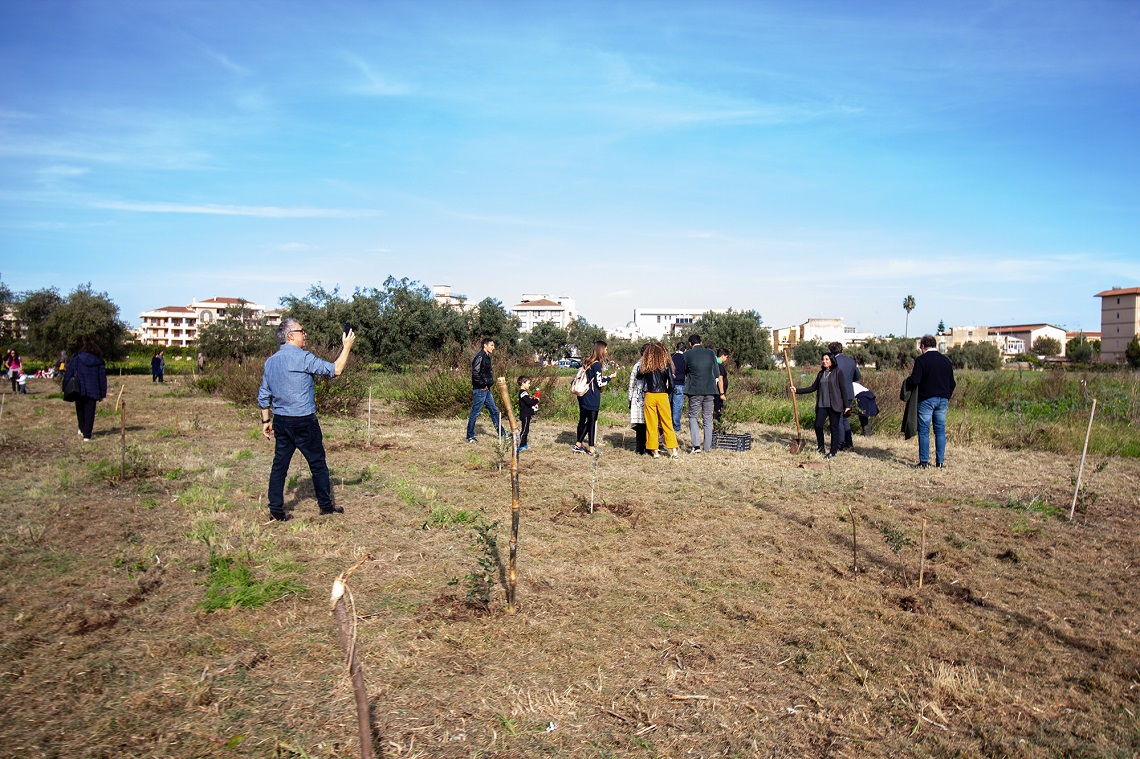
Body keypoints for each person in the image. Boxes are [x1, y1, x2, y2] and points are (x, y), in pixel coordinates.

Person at [258, 318, 356, 521]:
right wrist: (347, 346)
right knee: (318, 464)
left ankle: (276, 510)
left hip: (281, 421)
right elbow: (336, 369)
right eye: (302, 331)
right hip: (304, 421)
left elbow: (264, 394)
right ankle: (326, 506)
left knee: (279, 467)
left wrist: (266, 422)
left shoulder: (271, 361)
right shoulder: (303, 358)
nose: (305, 335)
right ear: (290, 335)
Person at [906, 334, 956, 468]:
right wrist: (946, 396)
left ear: (922, 346)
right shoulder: (946, 361)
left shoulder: (921, 360)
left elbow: (915, 380)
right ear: (935, 345)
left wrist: (907, 382)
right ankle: (940, 462)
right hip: (943, 399)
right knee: (940, 431)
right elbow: (952, 383)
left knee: (924, 431)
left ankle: (924, 462)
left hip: (926, 399)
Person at [790, 353, 850, 458]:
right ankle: (821, 447)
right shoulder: (821, 373)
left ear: (832, 361)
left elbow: (843, 389)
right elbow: (813, 387)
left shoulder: (837, 372)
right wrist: (797, 390)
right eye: (823, 359)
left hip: (834, 405)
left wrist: (847, 405)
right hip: (822, 405)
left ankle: (832, 452)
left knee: (833, 428)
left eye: (827, 359)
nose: (824, 361)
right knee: (818, 426)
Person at [637, 342, 679, 459]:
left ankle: (655, 451)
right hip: (662, 395)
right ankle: (674, 450)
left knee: (651, 424)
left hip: (650, 395)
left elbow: (639, 376)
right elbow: (672, 383)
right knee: (667, 423)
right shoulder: (665, 365)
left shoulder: (646, 365)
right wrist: (667, 392)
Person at [573, 340, 614, 454]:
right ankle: (591, 448)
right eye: (605, 349)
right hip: (592, 396)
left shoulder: (588, 362)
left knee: (587, 421)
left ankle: (578, 444)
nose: (606, 351)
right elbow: (599, 383)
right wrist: (610, 378)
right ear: (601, 350)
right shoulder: (596, 364)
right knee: (591, 421)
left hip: (584, 395)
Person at [683, 334, 719, 453]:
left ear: (690, 343)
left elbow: (685, 371)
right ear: (701, 342)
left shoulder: (687, 354)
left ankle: (696, 446)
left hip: (695, 390)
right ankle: (707, 447)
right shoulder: (710, 354)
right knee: (707, 418)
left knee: (693, 416)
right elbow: (716, 372)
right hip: (710, 389)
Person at [64, 344, 107, 441]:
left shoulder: (76, 359)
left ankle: (82, 428)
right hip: (93, 389)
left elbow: (68, 373)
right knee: (90, 412)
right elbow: (102, 379)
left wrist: (65, 387)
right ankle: (87, 435)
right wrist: (102, 393)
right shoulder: (99, 362)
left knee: (80, 409)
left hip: (78, 388)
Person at [466, 338, 500, 443]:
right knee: (475, 413)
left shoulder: (486, 357)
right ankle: (470, 436)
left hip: (486, 389)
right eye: (492, 345)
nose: (493, 348)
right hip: (480, 389)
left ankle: (502, 434)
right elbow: (475, 373)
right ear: (485, 345)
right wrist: (482, 385)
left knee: (494, 411)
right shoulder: (480, 357)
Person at [829, 342, 861, 450]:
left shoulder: (834, 362)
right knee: (845, 419)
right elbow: (858, 376)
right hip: (850, 393)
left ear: (831, 352)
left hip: (838, 393)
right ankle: (849, 443)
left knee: (838, 419)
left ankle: (840, 444)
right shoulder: (851, 361)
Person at [628, 344, 648, 455]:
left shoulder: (637, 365)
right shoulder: (641, 365)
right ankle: (644, 448)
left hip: (637, 397)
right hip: (643, 397)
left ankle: (640, 448)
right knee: (644, 425)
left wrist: (630, 399)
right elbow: (632, 383)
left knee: (640, 425)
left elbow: (631, 384)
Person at [517, 376, 539, 450]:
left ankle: (524, 444)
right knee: (524, 430)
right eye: (528, 383)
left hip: (528, 414)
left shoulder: (525, 392)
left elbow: (529, 401)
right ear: (523, 383)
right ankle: (519, 444)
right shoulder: (522, 393)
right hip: (525, 414)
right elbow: (529, 402)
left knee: (527, 430)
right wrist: (536, 400)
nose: (529, 385)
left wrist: (533, 399)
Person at [670, 342, 686, 433]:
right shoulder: (685, 358)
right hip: (680, 383)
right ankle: (676, 427)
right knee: (677, 406)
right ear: (684, 349)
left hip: (670, 384)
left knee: (669, 405)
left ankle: (668, 424)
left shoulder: (671, 356)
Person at [713, 348, 730, 423]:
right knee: (718, 408)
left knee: (717, 408)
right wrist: (722, 393)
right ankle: (716, 423)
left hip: (716, 390)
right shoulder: (719, 365)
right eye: (726, 357)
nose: (726, 359)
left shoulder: (715, 363)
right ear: (723, 356)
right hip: (718, 391)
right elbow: (720, 379)